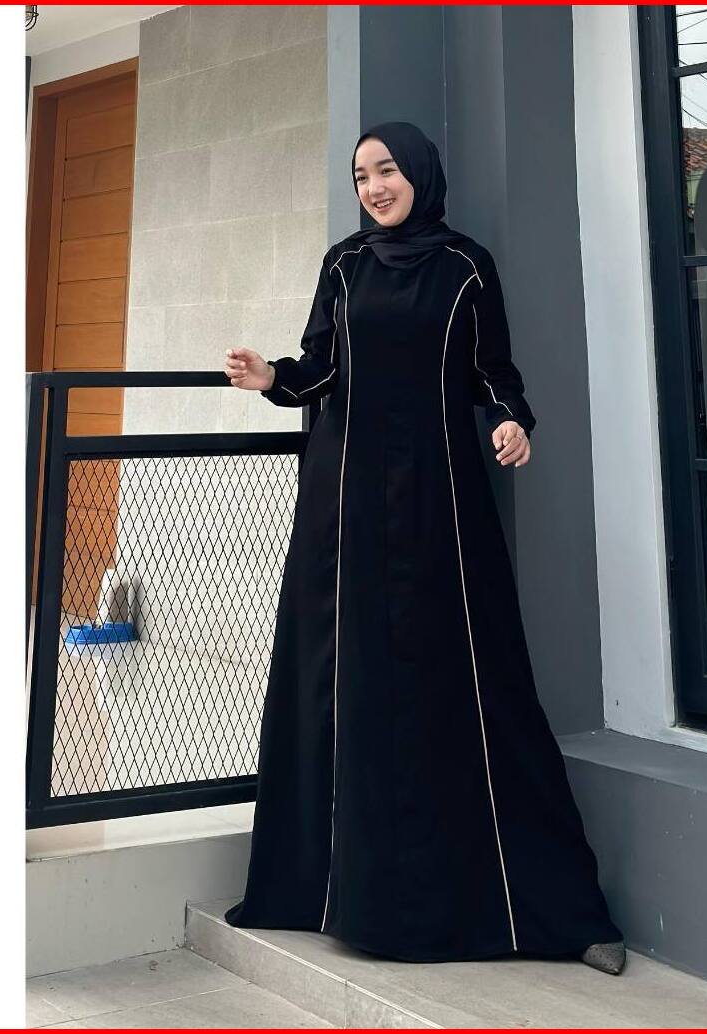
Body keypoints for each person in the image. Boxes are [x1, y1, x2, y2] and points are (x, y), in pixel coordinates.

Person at [222, 121, 625, 975]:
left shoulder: (465, 266)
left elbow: (493, 373)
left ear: (420, 174)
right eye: (361, 175)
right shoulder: (344, 264)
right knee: (350, 680)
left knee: (473, 682)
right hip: (346, 506)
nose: (374, 187)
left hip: (441, 500)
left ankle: (540, 907)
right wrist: (273, 378)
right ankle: (336, 896)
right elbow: (323, 367)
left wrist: (512, 421)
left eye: (387, 170)